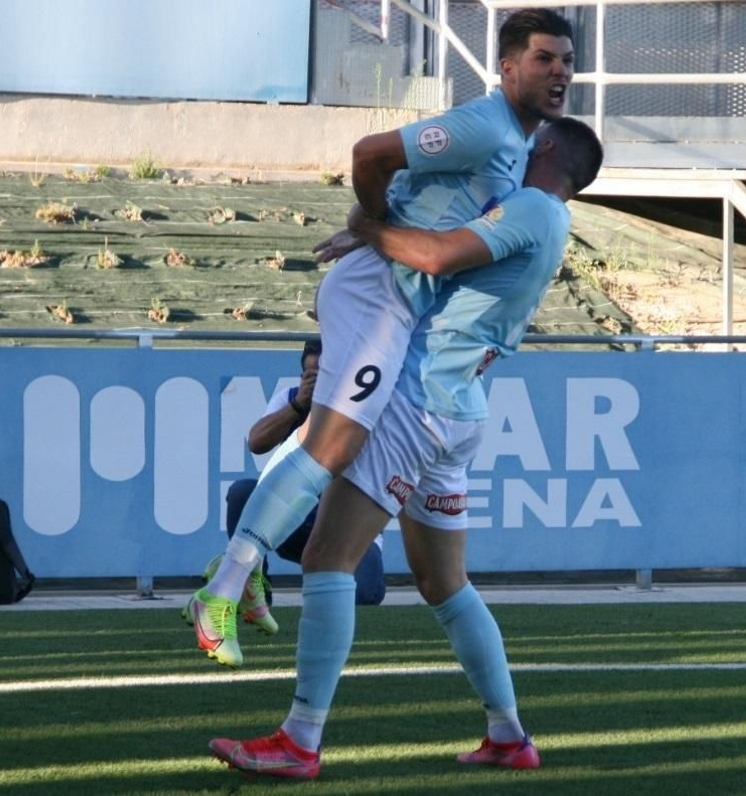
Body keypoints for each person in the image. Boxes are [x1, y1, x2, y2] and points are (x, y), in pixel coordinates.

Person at [207, 117, 605, 780]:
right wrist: (379, 239)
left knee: (328, 557)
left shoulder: (533, 207)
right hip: (458, 412)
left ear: (550, 149)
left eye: (534, 138)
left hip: (417, 405)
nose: (522, 141)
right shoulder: (546, 219)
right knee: (444, 583)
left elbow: (438, 256)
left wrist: (369, 229)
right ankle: (508, 734)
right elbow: (439, 253)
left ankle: (300, 740)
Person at [188, 8, 577, 667]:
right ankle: (223, 586)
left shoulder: (513, 151)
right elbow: (371, 155)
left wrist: (380, 227)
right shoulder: (485, 125)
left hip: (395, 304)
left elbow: (443, 226)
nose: (560, 71)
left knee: (332, 443)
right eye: (544, 59)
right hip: (375, 297)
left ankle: (242, 572)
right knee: (334, 442)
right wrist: (372, 224)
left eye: (567, 61)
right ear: (508, 67)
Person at [214, 341, 386, 610]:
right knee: (242, 492)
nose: (320, 383)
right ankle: (252, 587)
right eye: (312, 376)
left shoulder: (362, 404)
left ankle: (330, 584)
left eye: (326, 375)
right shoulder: (290, 398)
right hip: (297, 518)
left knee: (363, 595)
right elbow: (256, 442)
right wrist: (298, 405)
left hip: (349, 527)